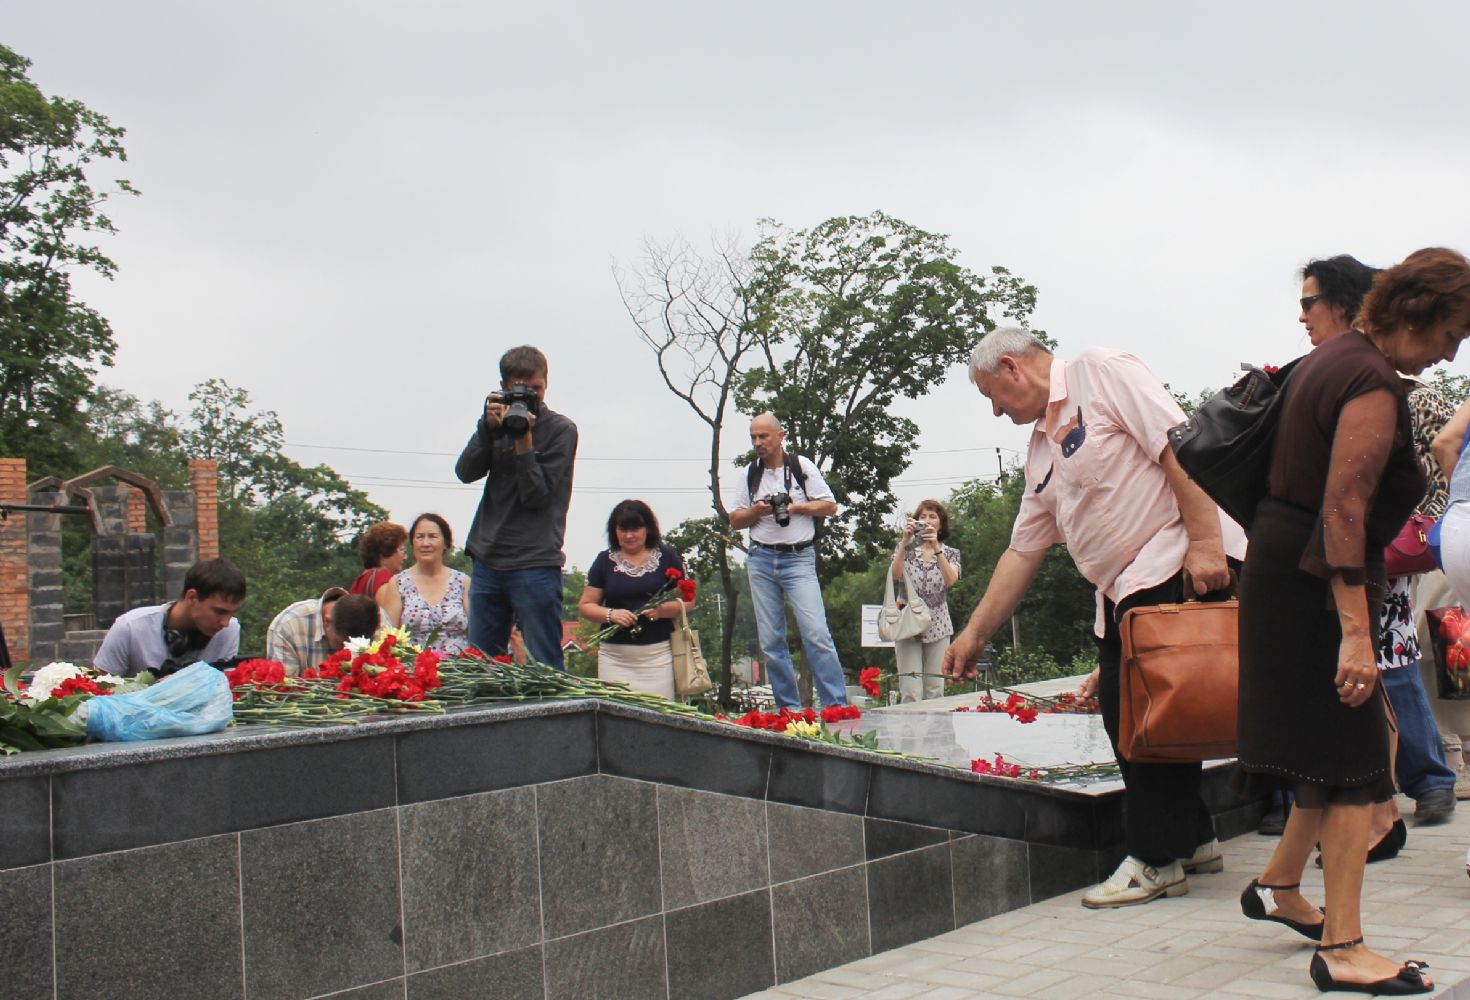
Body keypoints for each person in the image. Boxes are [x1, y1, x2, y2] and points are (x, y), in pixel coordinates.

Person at [942, 327, 1246, 909]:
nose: (995, 411)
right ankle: (1193, 837)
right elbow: (1022, 551)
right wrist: (974, 633)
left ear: (1012, 368)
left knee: (1141, 717)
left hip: (1170, 557)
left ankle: (1155, 859)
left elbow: (1179, 449)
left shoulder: (1099, 372)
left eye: (990, 395)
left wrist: (1207, 543)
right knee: (1145, 713)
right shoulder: (1039, 451)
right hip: (1121, 590)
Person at [1236, 247, 1470, 995]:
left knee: (1326, 754)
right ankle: (1343, 948)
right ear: (1420, 313)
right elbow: (1343, 509)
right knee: (1354, 763)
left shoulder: (1330, 361)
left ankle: (1283, 885)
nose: (1451, 354)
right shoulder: (1369, 378)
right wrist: (1358, 635)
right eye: (1453, 334)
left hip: (1288, 567)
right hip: (1317, 581)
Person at [456, 345, 577, 668]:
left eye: (536, 388)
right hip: (488, 557)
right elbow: (465, 472)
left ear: (546, 384)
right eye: (520, 389)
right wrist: (487, 429)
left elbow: (536, 496)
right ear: (504, 387)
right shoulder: (495, 425)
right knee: (482, 666)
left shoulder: (561, 430)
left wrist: (524, 442)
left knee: (545, 666)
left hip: (536, 560)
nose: (529, 397)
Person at [729, 413, 848, 710]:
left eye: (764, 436)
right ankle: (789, 710)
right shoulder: (749, 473)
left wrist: (796, 507)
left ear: (780, 436)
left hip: (798, 559)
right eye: (754, 437)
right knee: (771, 641)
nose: (758, 443)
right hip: (761, 558)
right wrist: (757, 511)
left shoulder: (800, 466)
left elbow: (830, 506)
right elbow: (735, 519)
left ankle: (836, 706)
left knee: (816, 633)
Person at [576, 500, 691, 698]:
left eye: (635, 528)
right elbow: (586, 605)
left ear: (648, 528)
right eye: (623, 529)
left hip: (658, 657)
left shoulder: (667, 557)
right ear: (614, 531)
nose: (629, 535)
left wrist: (661, 611)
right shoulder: (604, 560)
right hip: (614, 659)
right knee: (616, 713)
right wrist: (611, 614)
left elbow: (689, 601)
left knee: (659, 713)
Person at [94, 557, 247, 677]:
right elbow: (99, 692)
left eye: (232, 613)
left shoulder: (229, 631)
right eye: (219, 612)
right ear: (192, 597)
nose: (225, 623)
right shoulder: (130, 628)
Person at [889, 500, 962, 702]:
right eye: (922, 517)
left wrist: (936, 548)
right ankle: (910, 723)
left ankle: (935, 724)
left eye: (932, 517)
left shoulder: (951, 553)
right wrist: (904, 541)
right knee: (910, 690)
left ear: (941, 524)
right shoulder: (905, 549)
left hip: (938, 624)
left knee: (935, 689)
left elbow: (951, 580)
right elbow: (895, 575)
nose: (927, 521)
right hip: (908, 623)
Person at [379, 513, 471, 655]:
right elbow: (388, 637)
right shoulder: (397, 584)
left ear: (446, 543)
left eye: (432, 536)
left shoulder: (463, 582)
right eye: (420, 537)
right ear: (412, 543)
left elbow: (478, 632)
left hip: (460, 666)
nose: (425, 543)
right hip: (414, 666)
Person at [265, 590, 382, 675]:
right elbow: (283, 690)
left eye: (358, 649)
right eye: (340, 644)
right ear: (327, 621)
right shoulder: (288, 625)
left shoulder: (380, 625)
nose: (346, 652)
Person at [349, 522, 407, 599]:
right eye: (401, 550)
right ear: (384, 554)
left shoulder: (359, 581)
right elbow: (387, 606)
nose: (405, 557)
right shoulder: (383, 579)